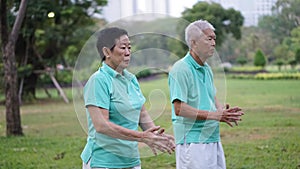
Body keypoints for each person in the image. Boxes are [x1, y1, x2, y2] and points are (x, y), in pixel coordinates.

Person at [81, 27, 175, 169]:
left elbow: (141, 114)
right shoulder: (98, 81)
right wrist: (142, 137)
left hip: (131, 161)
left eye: (129, 47)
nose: (128, 52)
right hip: (104, 162)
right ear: (106, 52)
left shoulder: (131, 79)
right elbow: (101, 126)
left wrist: (156, 136)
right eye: (123, 47)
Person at [168, 20, 244, 169]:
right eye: (209, 39)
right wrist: (215, 115)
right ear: (194, 43)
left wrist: (222, 111)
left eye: (214, 39)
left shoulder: (207, 68)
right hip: (192, 141)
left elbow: (211, 97)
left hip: (212, 137)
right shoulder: (181, 69)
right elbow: (179, 109)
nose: (213, 43)